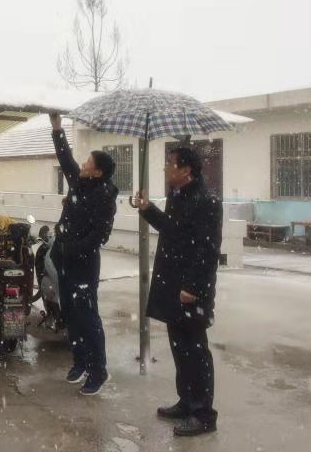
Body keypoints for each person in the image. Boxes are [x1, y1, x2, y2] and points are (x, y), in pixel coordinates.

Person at [134, 146, 222, 437]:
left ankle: (203, 414)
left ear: (186, 170)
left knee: (195, 352)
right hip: (174, 284)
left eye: (170, 164)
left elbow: (207, 250)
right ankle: (187, 402)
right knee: (180, 349)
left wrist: (193, 287)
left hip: (190, 290)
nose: (165, 168)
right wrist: (147, 208)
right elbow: (171, 229)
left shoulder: (206, 201)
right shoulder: (178, 195)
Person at [50, 113, 118, 395]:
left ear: (98, 172)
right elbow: (66, 159)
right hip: (65, 261)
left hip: (84, 264)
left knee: (88, 318)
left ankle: (98, 371)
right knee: (70, 314)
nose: (83, 164)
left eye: (88, 162)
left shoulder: (104, 197)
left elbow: (99, 237)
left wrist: (72, 248)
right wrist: (57, 128)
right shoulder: (79, 183)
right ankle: (80, 361)